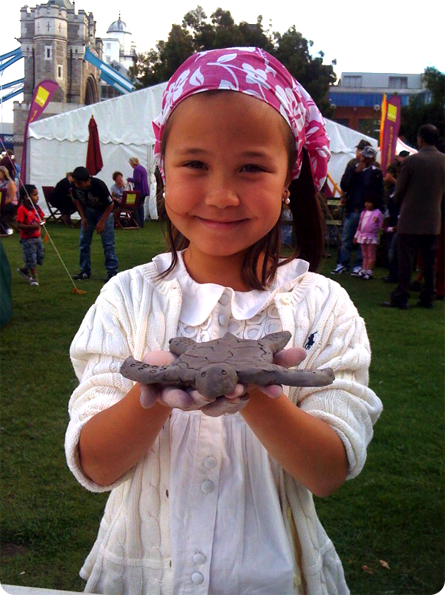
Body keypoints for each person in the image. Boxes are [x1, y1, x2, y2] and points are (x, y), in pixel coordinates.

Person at [65, 48, 382, 595]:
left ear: (289, 177)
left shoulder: (322, 306)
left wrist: (258, 387)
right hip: (141, 577)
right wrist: (150, 394)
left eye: (252, 167)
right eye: (195, 164)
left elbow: (328, 471)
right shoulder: (127, 297)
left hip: (275, 577)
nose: (221, 194)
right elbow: (95, 463)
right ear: (163, 170)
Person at [384, 124, 445, 309]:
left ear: (421, 139)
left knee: (406, 260)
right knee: (430, 261)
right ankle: (428, 296)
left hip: (410, 218)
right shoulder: (444, 160)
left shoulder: (411, 161)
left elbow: (399, 191)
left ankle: (402, 296)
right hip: (434, 219)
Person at [331, 143, 383, 276]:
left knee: (364, 240)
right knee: (347, 238)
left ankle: (359, 266)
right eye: (364, 157)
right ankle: (343, 264)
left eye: (368, 158)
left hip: (367, 211)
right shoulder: (353, 167)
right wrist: (354, 173)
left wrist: (377, 207)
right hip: (353, 208)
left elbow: (379, 191)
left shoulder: (375, 172)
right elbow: (344, 184)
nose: (364, 160)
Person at [71, 166, 118, 281]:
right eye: (76, 183)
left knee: (108, 244)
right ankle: (85, 271)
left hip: (103, 212)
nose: (78, 186)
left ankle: (112, 272)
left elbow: (110, 204)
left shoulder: (99, 185)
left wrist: (102, 221)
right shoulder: (75, 186)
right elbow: (77, 201)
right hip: (88, 212)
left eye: (80, 183)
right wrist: (83, 217)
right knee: (84, 242)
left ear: (88, 180)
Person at [381, 151, 410, 283]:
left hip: (400, 224)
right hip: (392, 222)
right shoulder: (393, 190)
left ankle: (397, 276)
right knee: (391, 251)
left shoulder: (405, 190)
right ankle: (393, 274)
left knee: (395, 251)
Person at [16, 184, 45, 287]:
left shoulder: (36, 208)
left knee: (39, 257)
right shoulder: (22, 209)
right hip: (27, 239)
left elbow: (42, 217)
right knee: (31, 258)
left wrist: (42, 222)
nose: (37, 197)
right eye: (34, 195)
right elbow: (19, 225)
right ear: (26, 197)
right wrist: (33, 227)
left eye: (37, 194)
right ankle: (34, 278)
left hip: (37, 237)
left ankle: (24, 269)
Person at [353, 199, 384, 279]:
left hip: (372, 237)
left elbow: (381, 225)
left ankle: (369, 271)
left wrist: (388, 229)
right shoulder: (363, 213)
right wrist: (356, 236)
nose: (367, 204)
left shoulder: (377, 213)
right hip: (362, 236)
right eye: (366, 202)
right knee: (365, 254)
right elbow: (359, 226)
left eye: (369, 202)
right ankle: (364, 269)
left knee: (371, 255)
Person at [127, 157, 149, 227]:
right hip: (145, 189)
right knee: (141, 206)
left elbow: (137, 180)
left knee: (136, 207)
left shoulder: (136, 169)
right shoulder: (142, 168)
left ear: (133, 163)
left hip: (140, 190)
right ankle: (141, 223)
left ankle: (137, 223)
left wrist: (129, 179)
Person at [0, 165, 18, 235]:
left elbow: (11, 198)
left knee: (2, 214)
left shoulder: (10, 183)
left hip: (11, 204)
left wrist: (1, 204)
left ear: (3, 173)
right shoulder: (0, 182)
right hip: (2, 203)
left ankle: (7, 229)